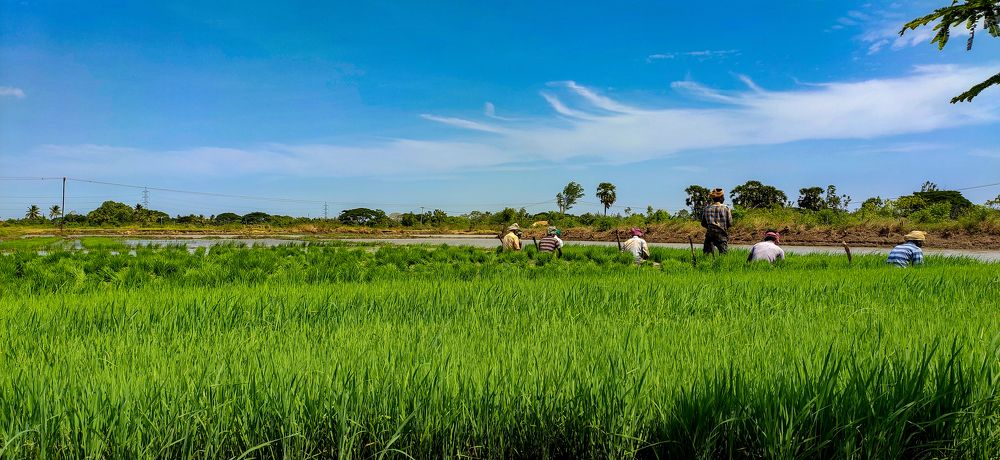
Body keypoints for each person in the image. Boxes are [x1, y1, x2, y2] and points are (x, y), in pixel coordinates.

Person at [701, 188, 732, 255]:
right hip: (722, 233)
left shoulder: (706, 209)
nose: (723, 198)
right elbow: (730, 223)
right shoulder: (726, 208)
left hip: (710, 234)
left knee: (706, 254)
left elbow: (703, 223)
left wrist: (710, 227)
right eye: (723, 197)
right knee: (724, 254)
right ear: (721, 198)